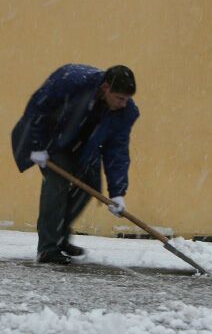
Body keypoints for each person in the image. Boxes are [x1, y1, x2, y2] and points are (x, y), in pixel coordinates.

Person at [12, 64, 139, 264]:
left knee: (90, 186)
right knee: (57, 185)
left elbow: (117, 151)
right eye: (120, 98)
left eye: (127, 99)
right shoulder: (72, 81)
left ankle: (60, 235)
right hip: (51, 141)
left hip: (84, 149)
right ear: (106, 88)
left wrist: (118, 192)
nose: (124, 104)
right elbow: (39, 107)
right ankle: (48, 248)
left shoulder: (126, 112)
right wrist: (36, 146)